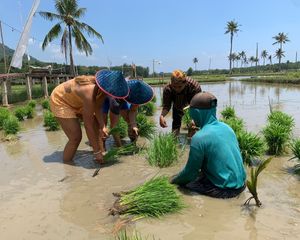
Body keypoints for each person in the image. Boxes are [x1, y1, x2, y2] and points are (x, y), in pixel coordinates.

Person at [170, 92, 246, 198]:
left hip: (224, 191)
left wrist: (173, 180)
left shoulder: (199, 138)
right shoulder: (227, 128)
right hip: (242, 185)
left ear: (195, 112)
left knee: (182, 186)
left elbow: (190, 173)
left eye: (191, 112)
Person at [49, 70, 129, 163]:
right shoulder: (89, 91)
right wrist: (96, 152)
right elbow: (88, 125)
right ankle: (67, 165)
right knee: (75, 137)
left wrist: (103, 126)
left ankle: (101, 155)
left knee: (97, 127)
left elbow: (98, 108)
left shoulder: (102, 91)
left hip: (77, 101)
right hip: (61, 100)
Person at [101, 79, 154, 149]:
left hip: (123, 99)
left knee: (129, 121)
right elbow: (113, 127)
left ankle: (133, 142)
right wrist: (120, 148)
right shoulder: (116, 100)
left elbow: (133, 110)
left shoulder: (138, 95)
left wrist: (133, 125)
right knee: (103, 126)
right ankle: (103, 147)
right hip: (107, 98)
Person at [159, 69, 202, 135]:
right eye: (174, 86)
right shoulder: (168, 89)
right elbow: (167, 106)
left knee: (192, 126)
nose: (177, 89)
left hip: (192, 106)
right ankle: (175, 143)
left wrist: (193, 118)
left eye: (179, 86)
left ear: (185, 83)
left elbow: (198, 105)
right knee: (175, 128)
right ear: (171, 83)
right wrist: (162, 116)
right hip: (177, 106)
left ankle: (191, 141)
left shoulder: (194, 86)